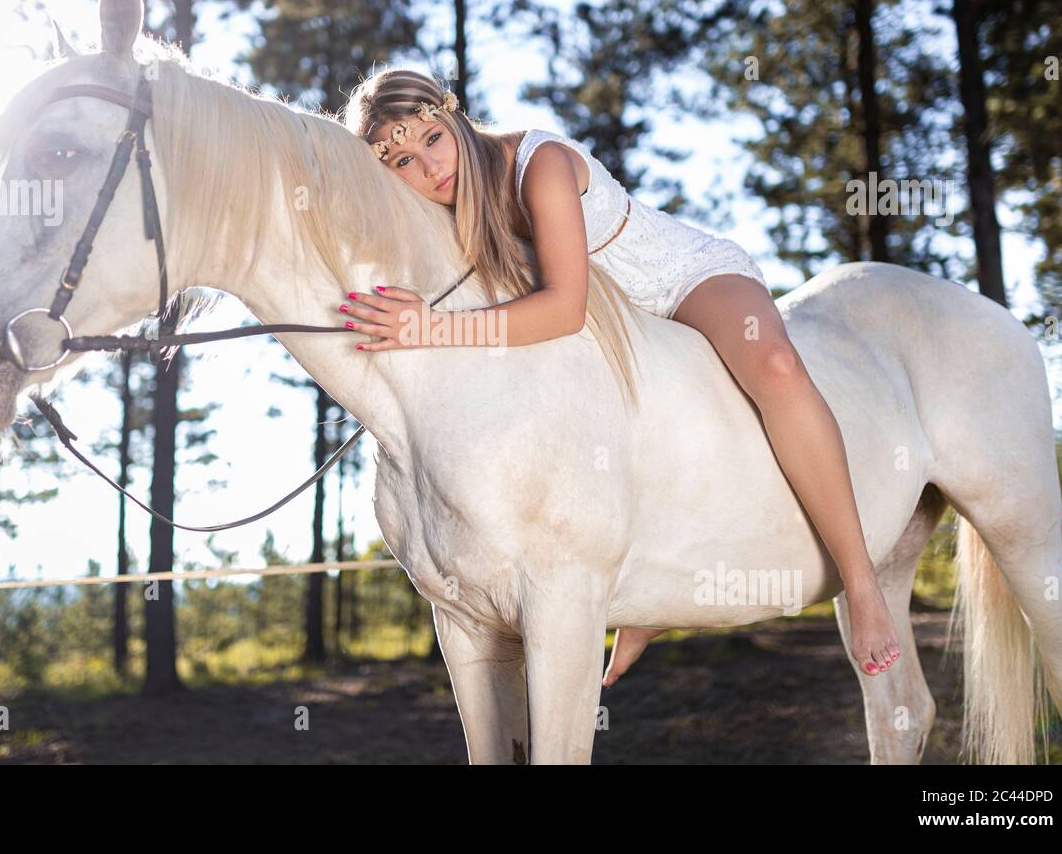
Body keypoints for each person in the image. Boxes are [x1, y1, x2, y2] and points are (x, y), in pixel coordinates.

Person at [339, 67, 901, 683]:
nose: (428, 168)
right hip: (614, 332)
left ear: (453, 117)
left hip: (679, 281)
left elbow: (562, 308)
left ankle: (861, 580)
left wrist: (433, 328)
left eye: (429, 139)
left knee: (775, 365)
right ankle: (648, 604)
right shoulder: (443, 211)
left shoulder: (540, 163)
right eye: (400, 162)